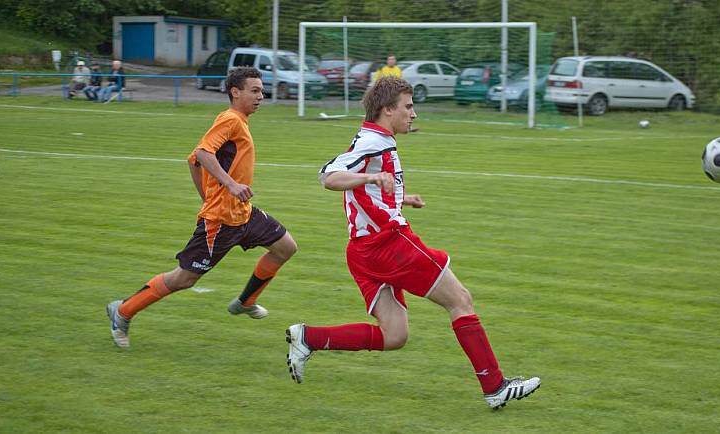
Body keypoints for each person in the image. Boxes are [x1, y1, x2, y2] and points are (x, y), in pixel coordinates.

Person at [286, 76, 540, 409]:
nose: (413, 114)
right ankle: (495, 387)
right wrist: (371, 177)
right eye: (408, 106)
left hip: (362, 251)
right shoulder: (373, 143)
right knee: (461, 300)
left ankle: (308, 338)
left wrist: (400, 199)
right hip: (389, 246)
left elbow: (365, 189)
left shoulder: (373, 139)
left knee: (395, 336)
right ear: (387, 109)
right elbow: (329, 177)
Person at [106, 67, 298, 348]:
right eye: (254, 90)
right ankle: (122, 311)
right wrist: (229, 187)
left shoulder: (240, 121)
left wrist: (209, 194)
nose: (261, 96)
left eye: (261, 90)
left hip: (243, 214)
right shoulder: (230, 119)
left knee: (286, 247)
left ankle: (245, 301)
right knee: (184, 278)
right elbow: (201, 153)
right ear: (235, 92)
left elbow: (192, 161)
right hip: (220, 221)